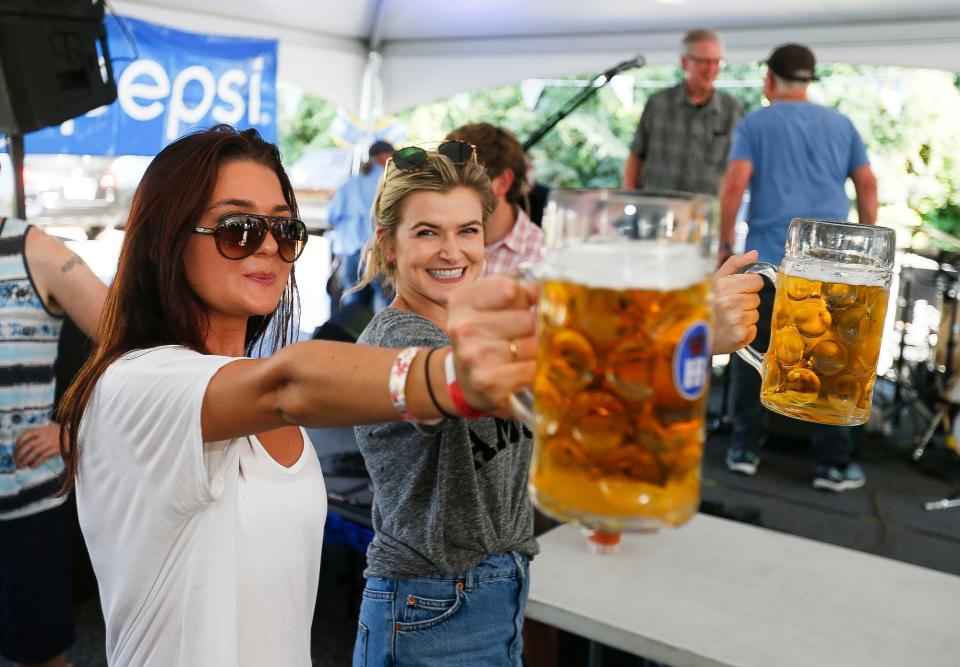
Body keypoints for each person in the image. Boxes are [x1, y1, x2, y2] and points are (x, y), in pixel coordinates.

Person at [56, 125, 539, 667]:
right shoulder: (136, 382)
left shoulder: (247, 385)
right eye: (238, 227)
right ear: (166, 238)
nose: (267, 244)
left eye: (285, 229)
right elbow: (290, 385)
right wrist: (459, 377)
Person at [347, 140, 765, 666]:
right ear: (389, 245)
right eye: (427, 232)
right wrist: (687, 330)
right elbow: (522, 382)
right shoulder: (396, 338)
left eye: (467, 230)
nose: (452, 251)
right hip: (429, 602)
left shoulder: (483, 329)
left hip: (498, 585)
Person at [717, 43, 879, 492]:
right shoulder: (841, 124)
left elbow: (735, 184)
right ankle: (833, 464)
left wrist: (724, 243)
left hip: (769, 258)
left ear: (769, 80)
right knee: (833, 362)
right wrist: (868, 249)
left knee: (753, 350)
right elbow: (867, 184)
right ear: (809, 81)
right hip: (834, 272)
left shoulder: (757, 122)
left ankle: (744, 448)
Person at [0, 214, 106, 667]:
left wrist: (76, 428)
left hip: (22, 512)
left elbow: (140, 352)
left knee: (41, 656)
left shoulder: (36, 253)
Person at [622, 28, 743, 196]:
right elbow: (636, 157)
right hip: (656, 212)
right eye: (705, 62)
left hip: (705, 215)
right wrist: (631, 201)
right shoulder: (658, 104)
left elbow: (735, 171)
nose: (712, 69)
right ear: (685, 62)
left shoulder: (732, 110)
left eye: (717, 62)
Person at [446, 123, 544, 275]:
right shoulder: (435, 241)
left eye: (463, 179)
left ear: (503, 182)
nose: (446, 191)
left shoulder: (542, 259)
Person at [327, 140, 394, 310]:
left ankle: (353, 337)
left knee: (354, 308)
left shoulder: (349, 184)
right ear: (384, 157)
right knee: (389, 306)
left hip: (351, 255)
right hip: (379, 253)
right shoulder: (389, 183)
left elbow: (331, 218)